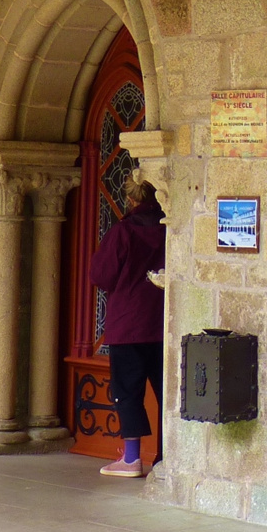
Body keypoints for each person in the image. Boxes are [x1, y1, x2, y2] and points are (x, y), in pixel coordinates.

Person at [89, 172, 166, 478]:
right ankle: (165, 459)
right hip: (163, 322)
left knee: (128, 391)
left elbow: (101, 275)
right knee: (166, 393)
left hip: (128, 325)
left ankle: (132, 458)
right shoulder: (169, 229)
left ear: (132, 200)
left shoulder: (123, 232)